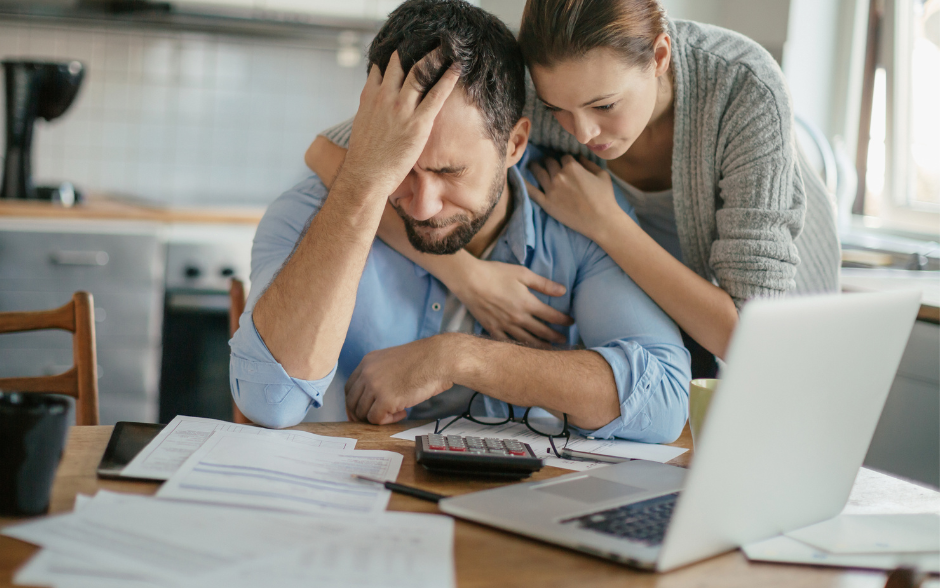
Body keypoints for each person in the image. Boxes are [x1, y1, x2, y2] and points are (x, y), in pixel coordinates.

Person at [229, 0, 692, 443]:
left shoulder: (579, 217)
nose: (424, 205)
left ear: (514, 145)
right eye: (402, 169)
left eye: (451, 173)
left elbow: (666, 401)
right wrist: (365, 183)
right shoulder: (310, 214)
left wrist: (458, 358)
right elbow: (269, 401)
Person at [307, 0, 841, 378]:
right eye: (559, 109)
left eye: (605, 106)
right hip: (673, 320)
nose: (581, 132)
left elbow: (753, 339)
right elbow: (330, 154)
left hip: (787, 333)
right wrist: (467, 276)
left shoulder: (742, 89)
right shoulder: (543, 92)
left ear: (659, 57)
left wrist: (606, 225)